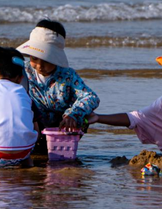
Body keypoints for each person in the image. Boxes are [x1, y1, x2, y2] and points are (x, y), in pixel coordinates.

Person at [16, 19, 100, 153]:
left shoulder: (68, 76)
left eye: (46, 60)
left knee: (88, 114)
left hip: (62, 128)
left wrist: (73, 114)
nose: (39, 65)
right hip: (34, 126)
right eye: (35, 58)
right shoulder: (22, 73)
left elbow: (91, 97)